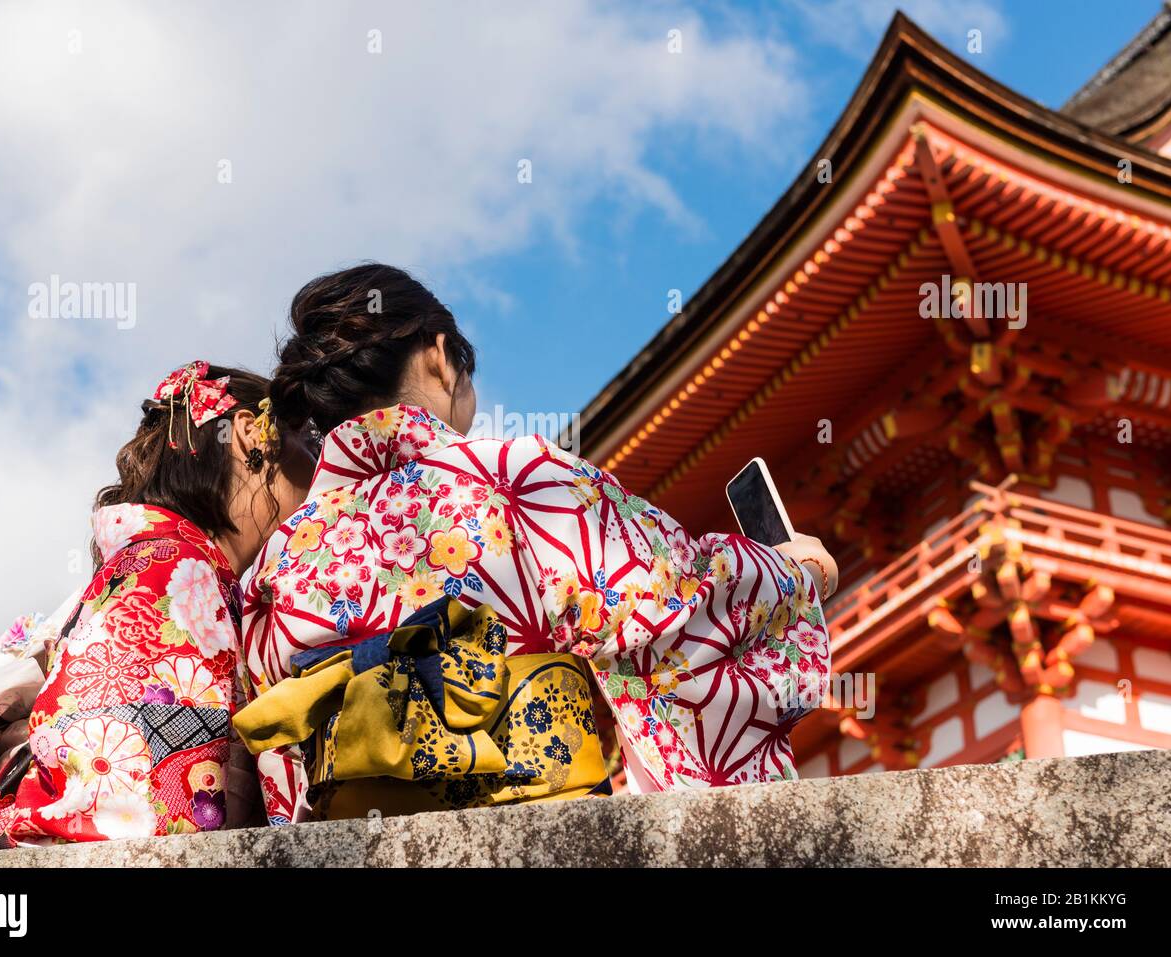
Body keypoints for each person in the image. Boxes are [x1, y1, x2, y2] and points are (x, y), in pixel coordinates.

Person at [237, 264, 838, 823]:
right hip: (531, 827)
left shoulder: (272, 567)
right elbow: (673, 604)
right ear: (442, 358)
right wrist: (795, 575)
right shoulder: (508, 478)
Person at [0, 361, 314, 858]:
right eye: (309, 437)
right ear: (252, 434)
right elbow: (136, 812)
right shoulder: (172, 570)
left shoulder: (165, 564)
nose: (319, 462)